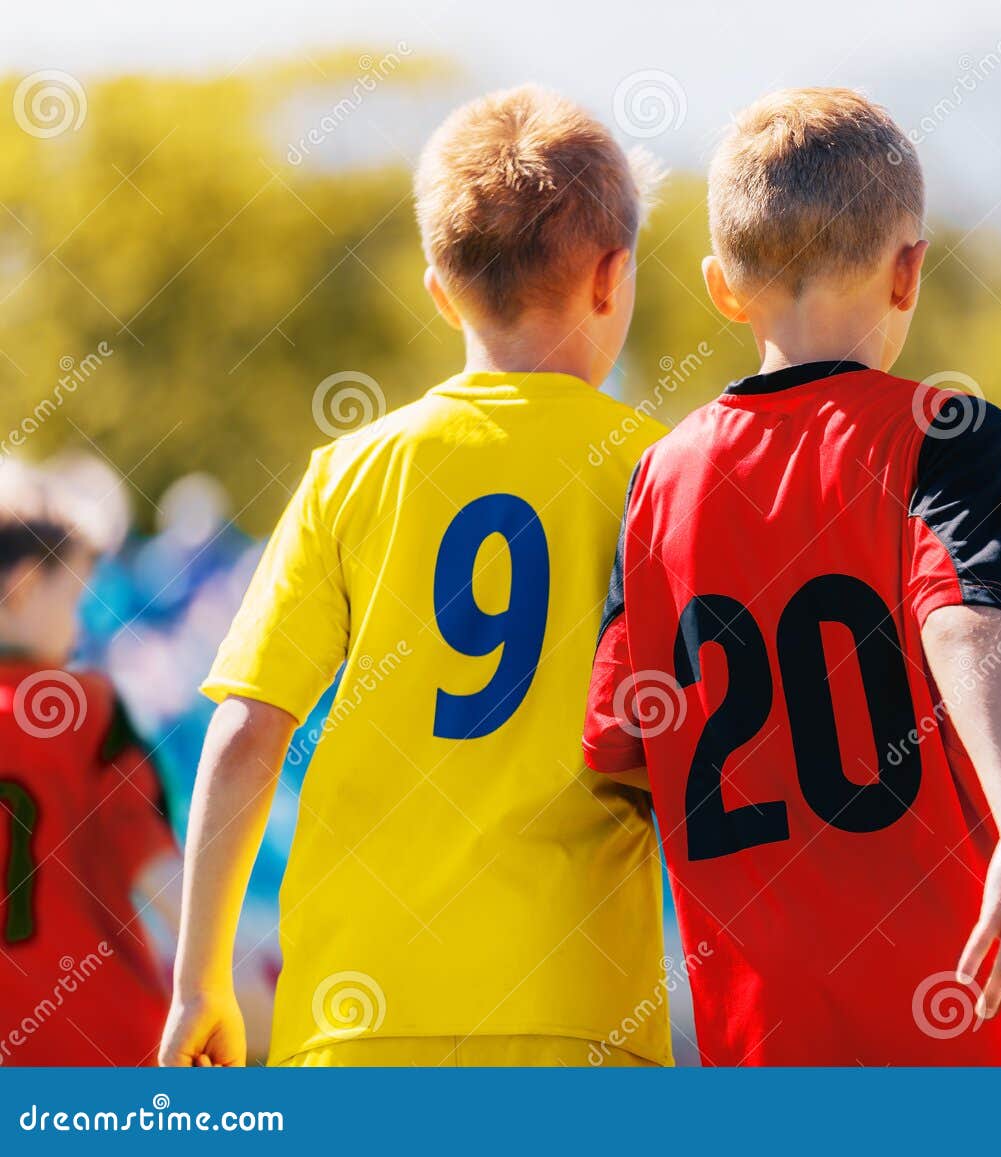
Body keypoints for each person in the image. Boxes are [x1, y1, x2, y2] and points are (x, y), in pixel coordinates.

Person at [160, 85, 671, 1067]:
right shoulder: (661, 473)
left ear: (440, 290)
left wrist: (201, 978)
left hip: (359, 1013)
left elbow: (244, 730)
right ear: (613, 277)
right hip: (577, 1008)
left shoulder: (349, 472)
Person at [584, 88, 1001, 1065]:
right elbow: (961, 619)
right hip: (960, 1015)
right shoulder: (946, 435)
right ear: (910, 272)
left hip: (763, 1038)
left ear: (721, 289)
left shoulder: (658, 478)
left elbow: (618, 742)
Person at [0, 468, 181, 1065]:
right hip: (104, 1049)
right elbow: (164, 883)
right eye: (74, 597)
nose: (80, 626)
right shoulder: (87, 712)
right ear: (23, 588)